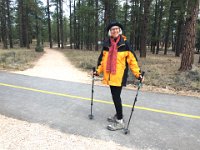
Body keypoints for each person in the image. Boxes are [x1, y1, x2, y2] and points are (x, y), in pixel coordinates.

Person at [94, 21, 144, 131]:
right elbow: (103, 61)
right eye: (112, 29)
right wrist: (98, 71)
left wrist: (138, 74)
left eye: (116, 29)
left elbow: (132, 61)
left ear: (119, 30)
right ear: (110, 32)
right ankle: (118, 115)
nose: (115, 31)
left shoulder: (125, 44)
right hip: (110, 75)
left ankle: (120, 121)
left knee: (116, 97)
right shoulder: (107, 44)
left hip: (119, 76)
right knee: (115, 96)